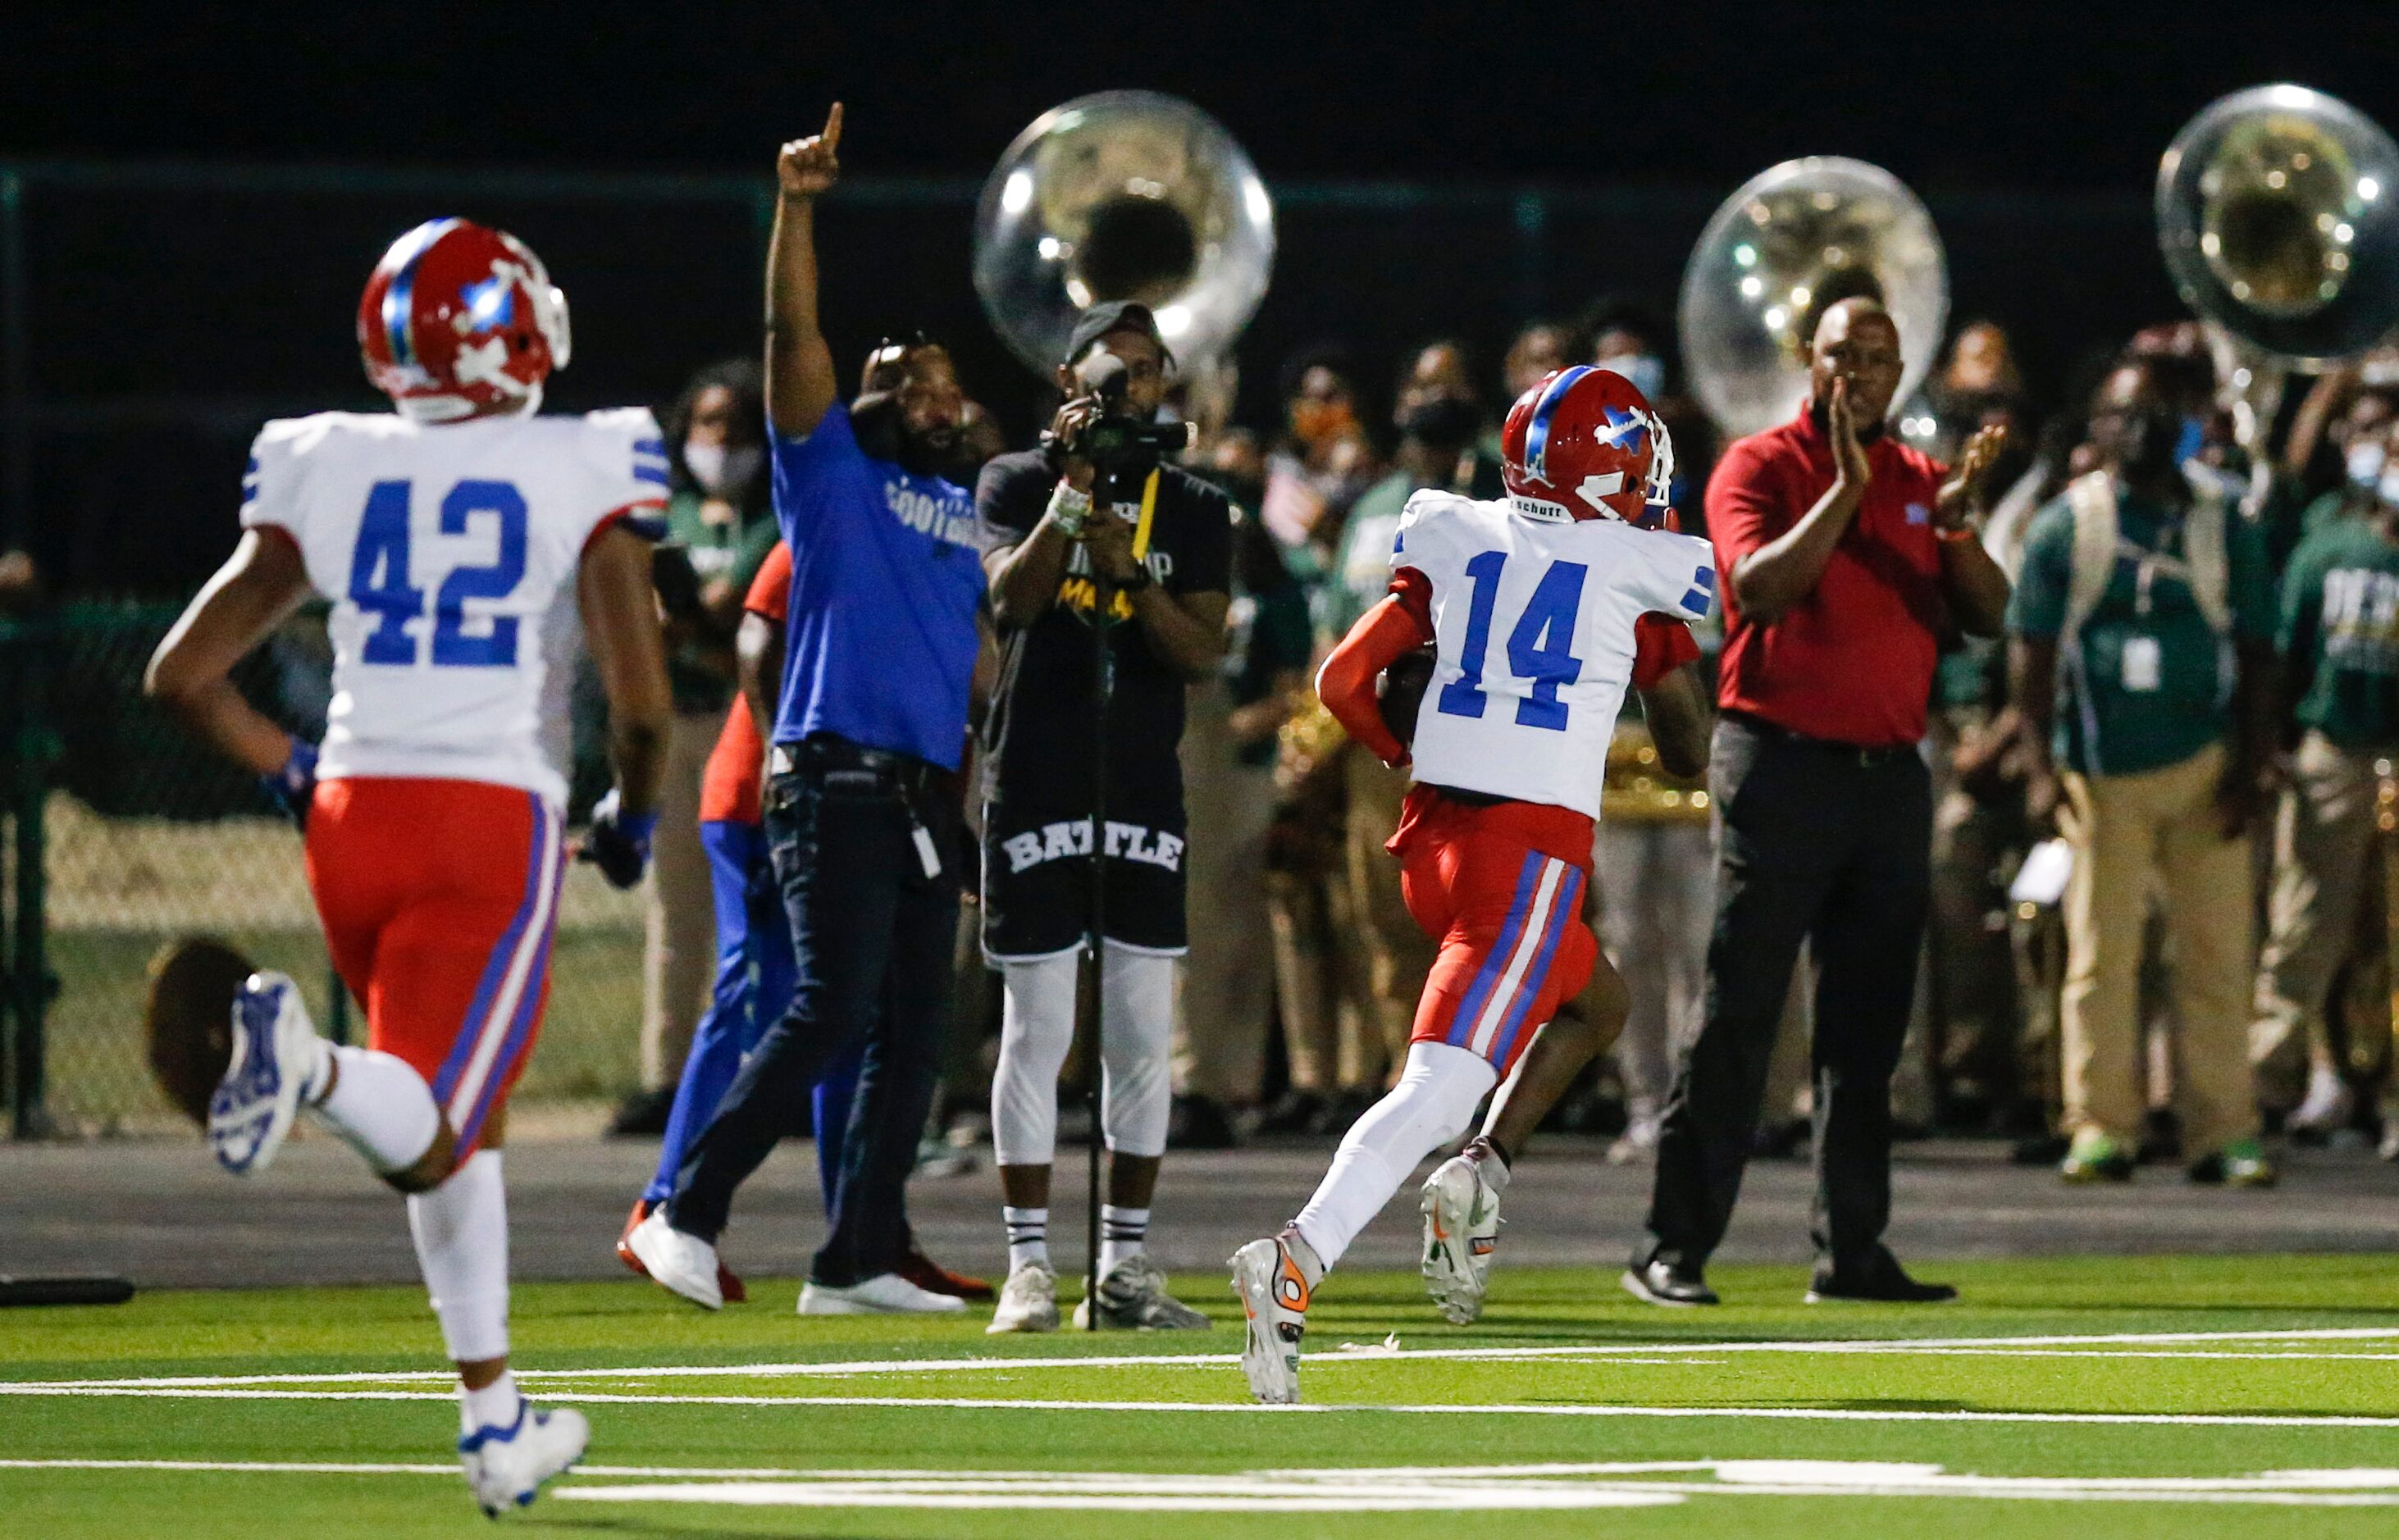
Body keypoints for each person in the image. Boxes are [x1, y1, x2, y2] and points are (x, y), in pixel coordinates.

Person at [144, 217, 670, 1513]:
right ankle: (300, 1054)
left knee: (458, 1127)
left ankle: (494, 1421)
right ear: (508, 328)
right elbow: (646, 707)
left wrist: (288, 772)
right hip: (486, 819)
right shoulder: (581, 458)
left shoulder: (327, 456)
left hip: (352, 812)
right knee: (432, 1122)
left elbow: (183, 675)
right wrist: (632, 814)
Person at [1232, 366, 1713, 1404]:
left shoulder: (1453, 528)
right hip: (1528, 854)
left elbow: (1343, 682)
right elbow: (1687, 752)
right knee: (1439, 1083)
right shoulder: (1636, 561)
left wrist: (1407, 756)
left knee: (1599, 1001)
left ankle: (1480, 1172)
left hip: (1435, 841)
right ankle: (1295, 1259)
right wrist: (1661, 645)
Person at [627, 106, 989, 1315]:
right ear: (868, 402)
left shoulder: (968, 518)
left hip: (925, 793)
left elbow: (991, 652)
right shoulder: (834, 477)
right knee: (824, 1005)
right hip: (833, 776)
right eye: (908, 383)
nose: (934, 397)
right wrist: (798, 207)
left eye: (947, 384)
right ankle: (683, 1209)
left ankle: (860, 1252)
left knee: (911, 1032)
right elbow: (794, 334)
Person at [1628, 297, 2012, 1309]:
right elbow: (1755, 589)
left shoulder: (1925, 479)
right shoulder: (1758, 464)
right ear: (1811, 360)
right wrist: (1845, 485)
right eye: (1846, 354)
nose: (1864, 373)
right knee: (1741, 1014)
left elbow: (1988, 615)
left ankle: (1853, 1249)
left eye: (1882, 357)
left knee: (1867, 1033)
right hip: (1782, 765)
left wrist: (1961, 529)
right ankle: (1672, 1246)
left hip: (1888, 774)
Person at [613, 540, 987, 1304]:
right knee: (759, 1002)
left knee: (853, 1022)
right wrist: (795, 778)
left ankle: (860, 1236)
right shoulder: (832, 520)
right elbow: (756, 654)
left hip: (872, 811)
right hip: (766, 805)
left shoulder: (923, 554)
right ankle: (664, 1204)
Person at [974, 301, 1232, 1333]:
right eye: (1113, 372)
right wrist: (1075, 500)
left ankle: (1123, 1269)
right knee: (1035, 1027)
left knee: (1135, 1032)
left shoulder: (1200, 504)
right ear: (1069, 384)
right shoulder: (1015, 481)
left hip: (1137, 782)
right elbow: (1014, 600)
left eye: (1149, 371)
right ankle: (1029, 1268)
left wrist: (1131, 571)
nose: (1134, 389)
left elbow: (1202, 652)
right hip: (1034, 772)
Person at [2010, 354, 2278, 1187]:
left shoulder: (2221, 520)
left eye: (2156, 414)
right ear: (2095, 428)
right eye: (2122, 415)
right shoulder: (2069, 523)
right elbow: (2033, 651)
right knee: (2101, 958)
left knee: (2216, 955)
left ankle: (2224, 1129)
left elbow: (2261, 650)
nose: (2140, 430)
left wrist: (2252, 766)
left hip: (2204, 765)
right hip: (2101, 773)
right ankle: (2100, 1124)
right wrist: (2043, 766)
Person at [614, 359, 782, 1137]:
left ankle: (762, 1071)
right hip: (677, 720)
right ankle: (668, 1076)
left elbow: (722, 619)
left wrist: (684, 623)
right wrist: (684, 625)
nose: (724, 441)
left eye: (741, 428)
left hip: (743, 722)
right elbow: (648, 621)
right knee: (677, 911)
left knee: (759, 905)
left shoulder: (771, 515)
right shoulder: (667, 512)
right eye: (711, 425)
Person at [2253, 426, 2399, 1145]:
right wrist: (2273, 743)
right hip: (2333, 748)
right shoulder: (2331, 546)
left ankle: (2387, 1094)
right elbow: (2285, 654)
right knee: (2305, 926)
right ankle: (2260, 1088)